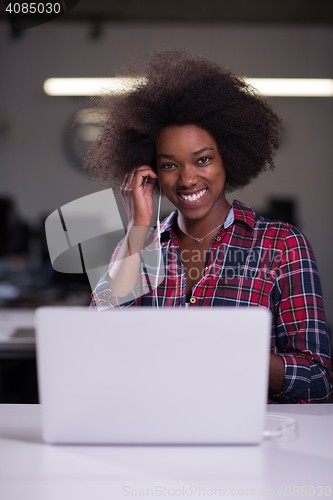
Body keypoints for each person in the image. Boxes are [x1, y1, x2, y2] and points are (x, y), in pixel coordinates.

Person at [86, 49, 332, 404]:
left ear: (228, 159)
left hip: (249, 436)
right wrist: (138, 225)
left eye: (202, 160)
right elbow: (94, 340)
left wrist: (228, 354)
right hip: (155, 426)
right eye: (170, 165)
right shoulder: (141, 246)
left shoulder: (282, 245)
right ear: (152, 169)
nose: (187, 179)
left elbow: (317, 378)